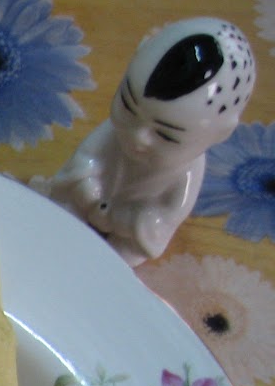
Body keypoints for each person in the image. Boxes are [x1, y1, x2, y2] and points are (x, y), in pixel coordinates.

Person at [36, 17, 254, 266]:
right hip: (91, 197)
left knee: (129, 250)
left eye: (166, 135)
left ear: (220, 134)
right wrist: (87, 185)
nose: (138, 136)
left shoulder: (185, 173)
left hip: (129, 223)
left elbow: (166, 215)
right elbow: (86, 159)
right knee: (62, 208)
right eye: (127, 107)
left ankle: (111, 266)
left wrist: (134, 220)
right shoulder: (114, 134)